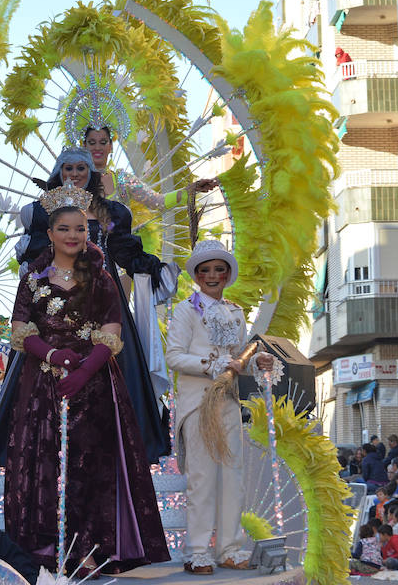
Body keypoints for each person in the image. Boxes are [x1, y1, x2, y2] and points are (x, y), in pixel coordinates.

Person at [5, 182, 170, 573]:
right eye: (64, 228)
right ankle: (52, 547)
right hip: (43, 384)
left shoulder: (101, 275)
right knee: (46, 463)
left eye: (80, 228)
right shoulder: (33, 276)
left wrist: (85, 370)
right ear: (50, 233)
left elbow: (113, 330)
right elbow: (19, 330)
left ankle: (97, 547)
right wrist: (50, 353)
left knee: (92, 465)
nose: (73, 235)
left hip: (94, 385)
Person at [0, 147, 172, 468]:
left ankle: (110, 441)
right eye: (68, 168)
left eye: (81, 168)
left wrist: (153, 268)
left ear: (91, 173)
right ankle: (48, 438)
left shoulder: (112, 212)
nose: (75, 174)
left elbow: (125, 252)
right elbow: (36, 259)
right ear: (59, 172)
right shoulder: (43, 213)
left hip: (103, 301)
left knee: (108, 366)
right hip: (57, 304)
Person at [165, 239, 277, 574]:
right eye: (205, 270)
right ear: (197, 275)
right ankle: (198, 550)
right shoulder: (185, 310)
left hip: (228, 403)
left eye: (219, 269)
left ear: (228, 274)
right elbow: (174, 356)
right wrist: (211, 365)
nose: (212, 275)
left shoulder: (235, 312)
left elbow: (240, 355)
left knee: (233, 476)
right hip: (198, 403)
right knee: (202, 477)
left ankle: (230, 547)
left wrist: (259, 361)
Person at [82, 126, 219, 212]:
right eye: (92, 143)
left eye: (103, 142)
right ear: (84, 145)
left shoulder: (122, 180)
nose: (98, 148)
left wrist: (190, 190)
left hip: (120, 254)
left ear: (111, 146)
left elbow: (158, 201)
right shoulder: (76, 181)